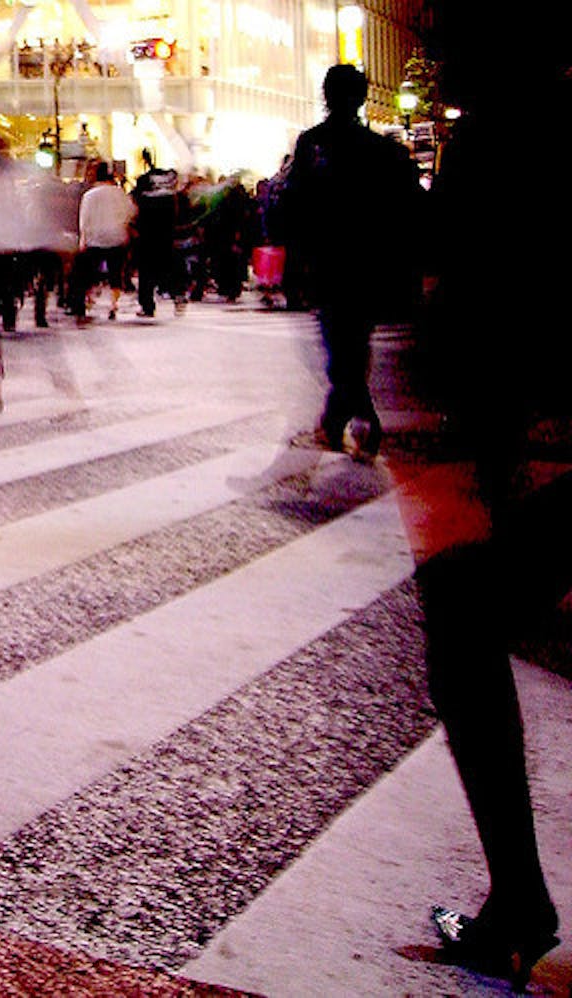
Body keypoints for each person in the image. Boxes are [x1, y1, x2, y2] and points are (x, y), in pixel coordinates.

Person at [391, 14, 568, 988]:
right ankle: (514, 901)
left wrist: (472, 465)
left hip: (534, 441)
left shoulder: (504, 135)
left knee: (460, 633)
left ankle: (514, 901)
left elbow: (479, 317)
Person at [280, 63, 422, 461]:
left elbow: (294, 204)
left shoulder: (313, 144)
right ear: (361, 98)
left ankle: (352, 414)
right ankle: (346, 413)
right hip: (368, 261)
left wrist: (295, 256)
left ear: (326, 95)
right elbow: (404, 210)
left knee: (339, 341)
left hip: (327, 259)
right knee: (355, 339)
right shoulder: (381, 151)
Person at [72, 161, 135, 325]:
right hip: (116, 237)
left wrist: (83, 240)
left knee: (87, 275)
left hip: (95, 239)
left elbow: (84, 220)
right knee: (116, 274)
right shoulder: (119, 193)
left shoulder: (89, 195)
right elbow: (130, 213)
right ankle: (113, 305)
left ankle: (85, 303)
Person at [131, 152, 178, 318]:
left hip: (147, 235)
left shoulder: (143, 191)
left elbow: (134, 209)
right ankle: (177, 295)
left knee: (146, 272)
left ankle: (147, 305)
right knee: (168, 266)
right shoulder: (169, 192)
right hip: (166, 234)